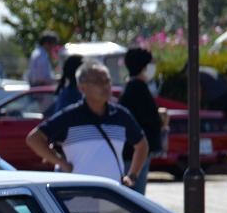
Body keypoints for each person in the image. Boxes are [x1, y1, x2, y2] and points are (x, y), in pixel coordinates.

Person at [26, 61, 148, 188]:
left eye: (107, 81)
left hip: (113, 198)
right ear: (82, 87)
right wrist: (61, 163)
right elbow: (34, 139)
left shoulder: (121, 115)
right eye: (98, 82)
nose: (105, 86)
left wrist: (133, 176)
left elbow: (142, 145)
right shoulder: (70, 116)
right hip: (77, 197)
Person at [119, 47, 163, 194]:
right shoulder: (138, 88)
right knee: (134, 199)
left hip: (131, 153)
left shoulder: (131, 87)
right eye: (151, 63)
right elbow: (151, 121)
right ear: (143, 65)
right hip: (135, 155)